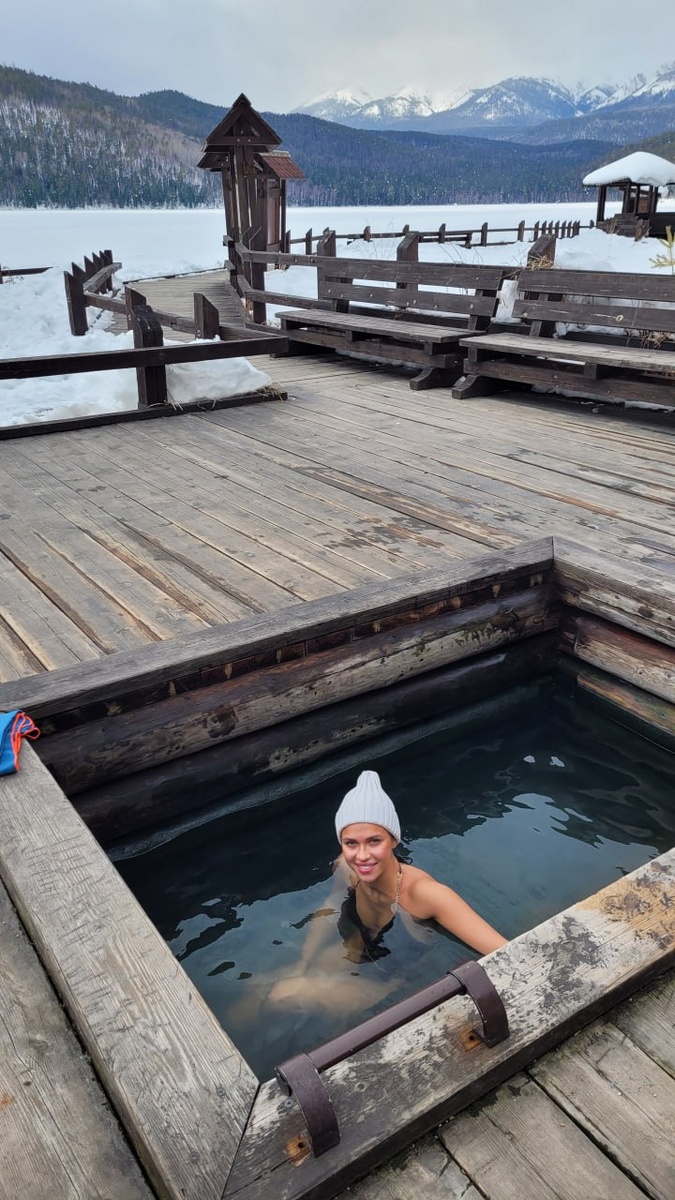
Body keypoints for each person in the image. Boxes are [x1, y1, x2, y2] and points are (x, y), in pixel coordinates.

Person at [264, 769, 506, 1014]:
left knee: (282, 992)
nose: (361, 856)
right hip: (359, 951)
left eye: (374, 841)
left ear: (393, 840)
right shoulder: (345, 867)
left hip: (396, 988)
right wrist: (303, 962)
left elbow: (505, 951)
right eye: (351, 843)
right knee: (266, 985)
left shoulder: (424, 895)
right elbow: (332, 904)